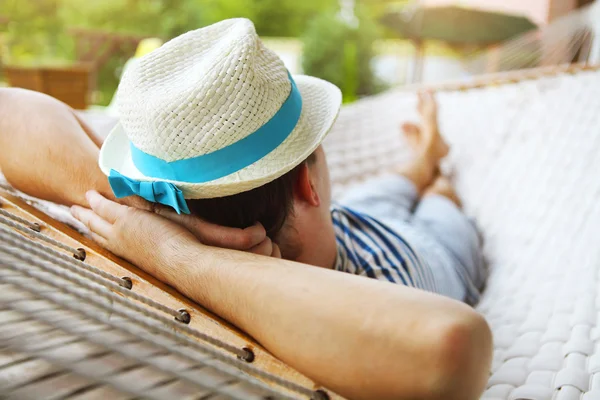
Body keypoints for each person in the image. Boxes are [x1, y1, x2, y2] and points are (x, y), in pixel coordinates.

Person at [0, 18, 492, 400]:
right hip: (431, 244)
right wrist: (181, 257)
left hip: (353, 217)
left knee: (397, 183)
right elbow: (452, 344)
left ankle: (426, 154)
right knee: (437, 198)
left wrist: (151, 218)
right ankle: (435, 168)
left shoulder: (149, 219)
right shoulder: (388, 294)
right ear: (308, 182)